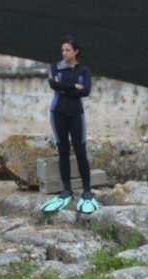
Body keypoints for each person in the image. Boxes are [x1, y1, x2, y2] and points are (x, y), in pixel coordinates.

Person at [41, 35, 99, 214]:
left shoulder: (84, 70)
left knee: (80, 150)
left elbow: (86, 91)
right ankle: (66, 189)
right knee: (63, 150)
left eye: (68, 50)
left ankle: (87, 190)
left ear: (76, 51)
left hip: (76, 114)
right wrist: (74, 87)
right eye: (63, 50)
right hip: (57, 113)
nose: (64, 53)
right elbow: (53, 84)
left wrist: (64, 88)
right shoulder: (54, 67)